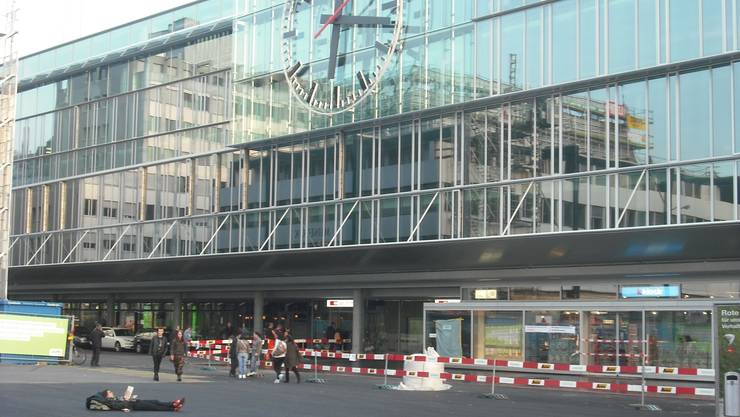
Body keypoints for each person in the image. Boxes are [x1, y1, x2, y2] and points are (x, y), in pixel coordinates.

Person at [85, 389, 185, 412]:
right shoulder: (110, 402)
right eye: (110, 392)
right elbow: (119, 406)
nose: (112, 393)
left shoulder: (114, 398)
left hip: (135, 402)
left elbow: (121, 402)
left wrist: (126, 397)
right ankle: (173, 408)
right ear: (107, 395)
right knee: (155, 407)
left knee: (155, 401)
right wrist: (127, 400)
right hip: (133, 405)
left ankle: (173, 403)